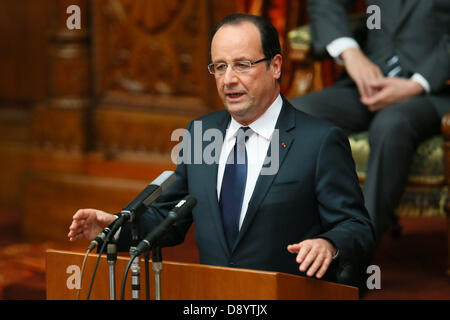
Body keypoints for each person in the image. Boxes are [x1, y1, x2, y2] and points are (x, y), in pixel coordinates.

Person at [68, 13, 375, 287]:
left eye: (242, 65)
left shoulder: (319, 141)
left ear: (276, 66)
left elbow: (356, 226)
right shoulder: (201, 133)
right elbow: (169, 219)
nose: (229, 79)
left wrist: (328, 243)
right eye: (219, 66)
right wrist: (116, 227)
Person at [291, 0, 450, 241]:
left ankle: (354, 247)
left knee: (391, 124)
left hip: (434, 89)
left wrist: (418, 83)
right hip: (369, 81)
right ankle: (297, 242)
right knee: (294, 116)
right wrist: (350, 51)